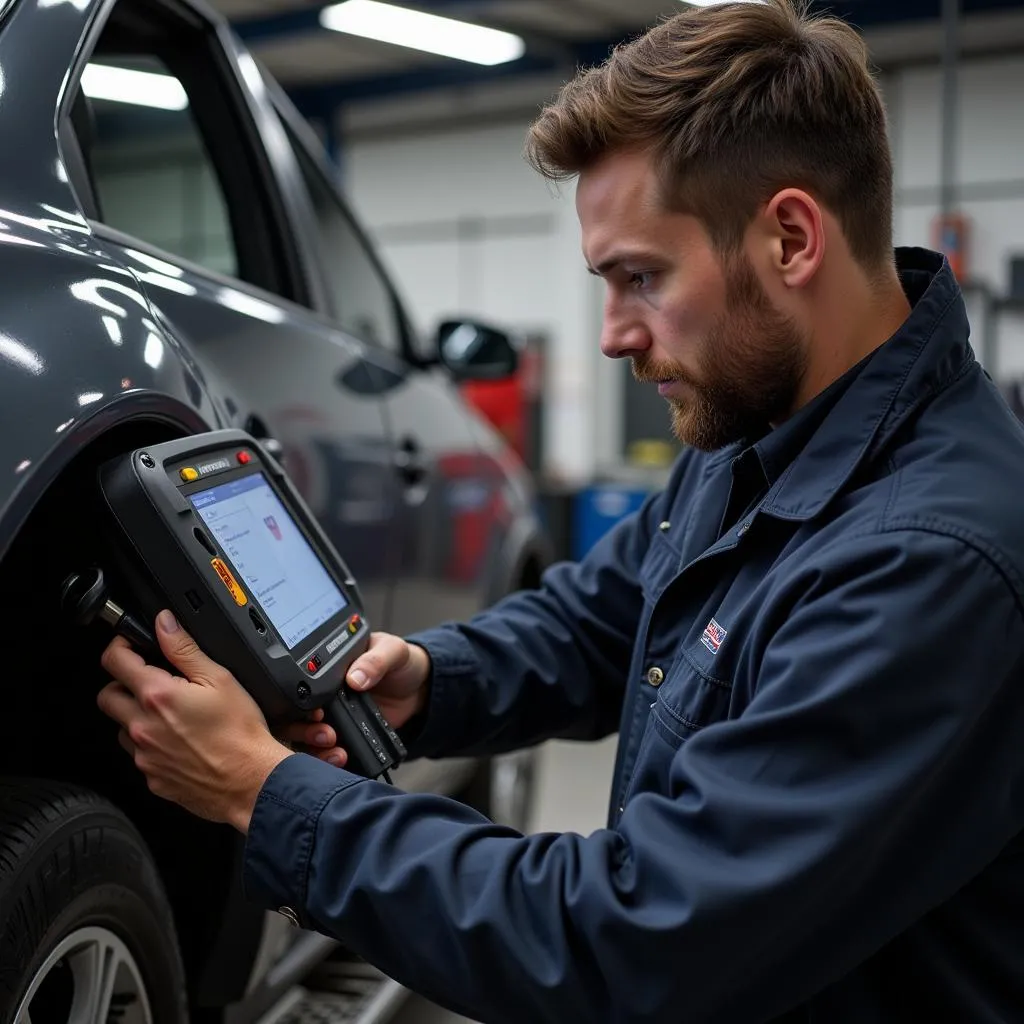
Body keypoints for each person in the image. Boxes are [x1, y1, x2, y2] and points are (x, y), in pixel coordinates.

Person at [97, 0, 1024, 1020]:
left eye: (641, 277)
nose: (612, 336)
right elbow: (600, 616)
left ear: (791, 238)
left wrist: (262, 794)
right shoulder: (765, 425)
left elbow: (633, 937)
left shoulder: (926, 561)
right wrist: (431, 679)